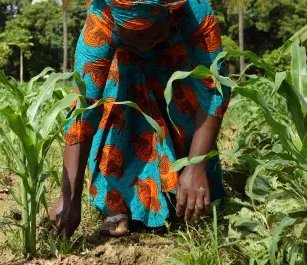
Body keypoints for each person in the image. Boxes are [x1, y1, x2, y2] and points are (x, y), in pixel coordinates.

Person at [51, 0, 231, 237]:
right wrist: (68, 196)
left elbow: (214, 90)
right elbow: (83, 109)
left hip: (178, 64)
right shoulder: (101, 20)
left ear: (169, 15)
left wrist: (196, 165)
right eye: (134, 38)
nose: (145, 46)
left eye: (154, 36)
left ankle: (187, 190)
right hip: (125, 69)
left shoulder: (194, 12)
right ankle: (119, 205)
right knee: (117, 100)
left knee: (184, 104)